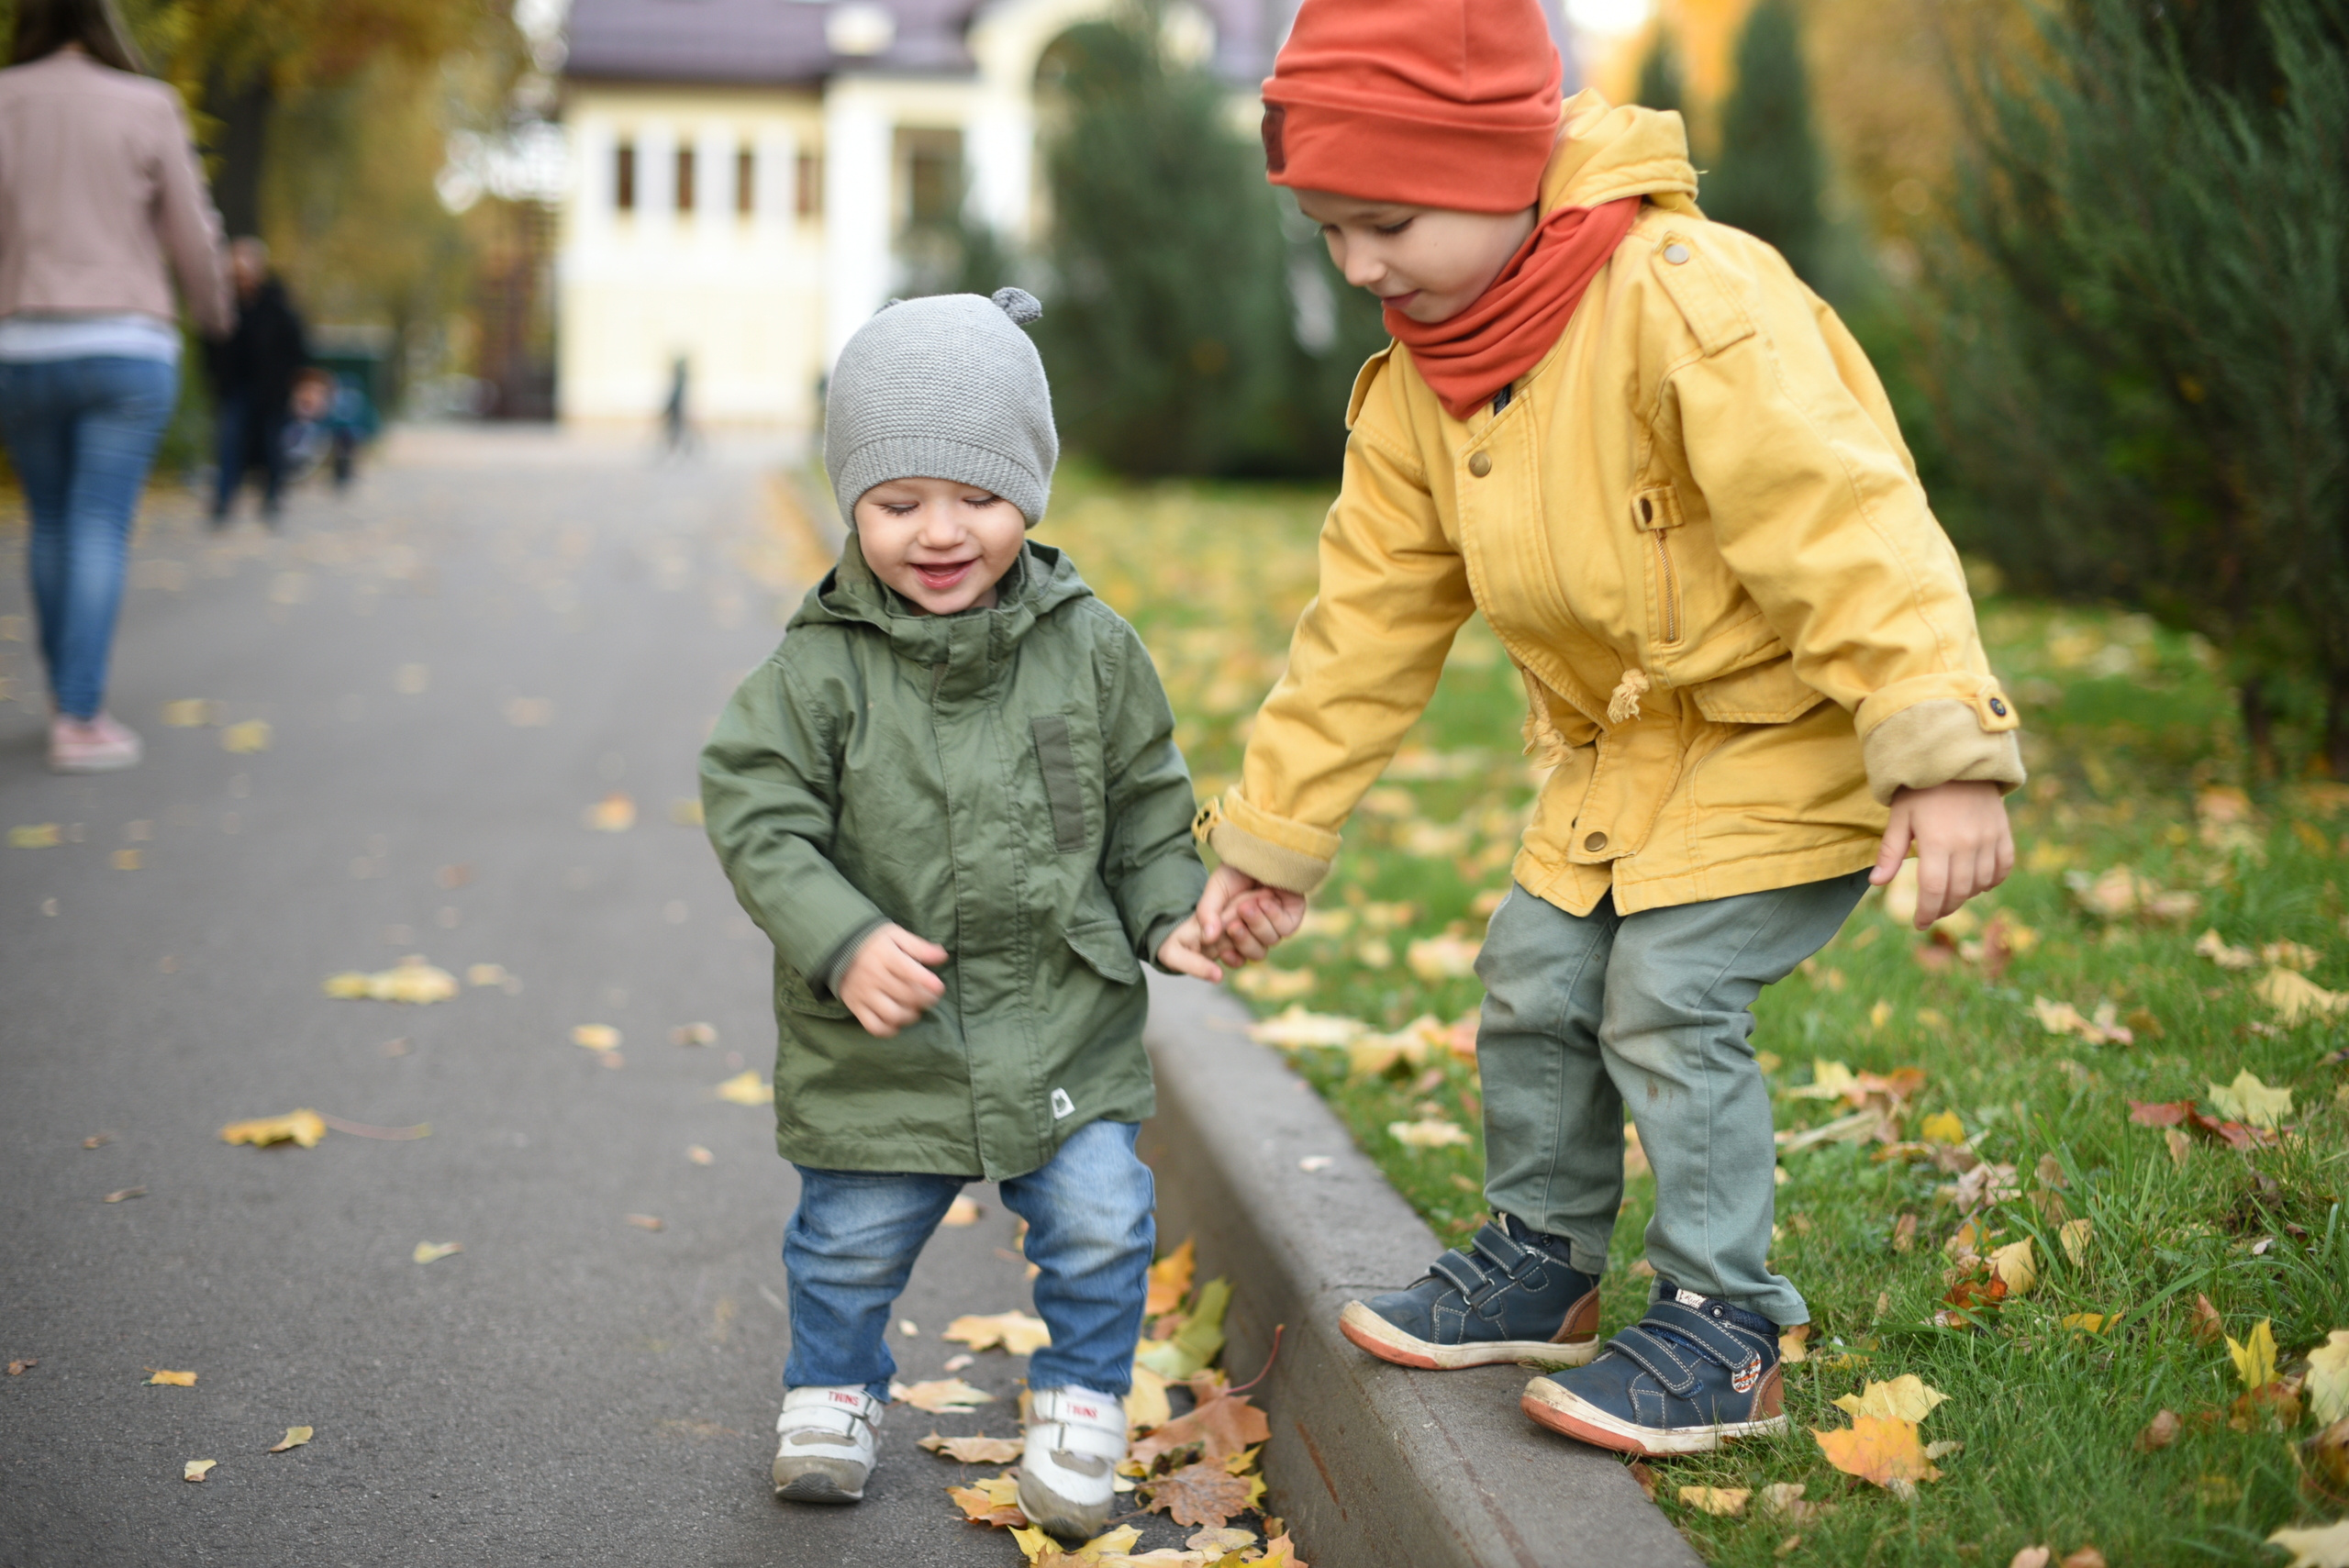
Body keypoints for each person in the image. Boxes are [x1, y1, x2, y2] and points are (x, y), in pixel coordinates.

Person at [1191, 0, 2023, 1460]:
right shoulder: (1418, 388)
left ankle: (1725, 1326)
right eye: (1328, 232)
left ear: (1506, 162)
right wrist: (1275, 841)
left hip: (1791, 733)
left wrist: (1942, 750)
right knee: (1533, 973)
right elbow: (1363, 634)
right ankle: (1545, 1259)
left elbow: (1849, 527)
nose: (1360, 264)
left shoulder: (1686, 298)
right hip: (1620, 762)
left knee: (1668, 988)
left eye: (1386, 219)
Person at [699, 288, 1254, 1538]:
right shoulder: (817, 671)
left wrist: (1170, 915)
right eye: (898, 505)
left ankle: (1079, 1403)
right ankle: (833, 1387)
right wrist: (839, 938)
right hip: (884, 1036)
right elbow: (756, 811)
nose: (939, 534)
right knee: (847, 1236)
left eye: (979, 499)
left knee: (1105, 1221)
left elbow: (1147, 807)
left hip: (1062, 1019)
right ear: (851, 504)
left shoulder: (1095, 651)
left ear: (1033, 494)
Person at [0, 0, 230, 773]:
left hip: (21, 341)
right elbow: (193, 235)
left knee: (52, 520)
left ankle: (67, 698)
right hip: (125, 344)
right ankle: (80, 714)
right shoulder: (147, 104)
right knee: (98, 521)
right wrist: (214, 313)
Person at [207, 235, 306, 525]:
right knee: (229, 442)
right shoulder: (224, 305)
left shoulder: (278, 307)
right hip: (235, 388)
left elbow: (296, 348)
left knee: (272, 444)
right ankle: (224, 499)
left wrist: (293, 383)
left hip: (272, 390)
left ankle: (273, 496)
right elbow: (212, 345)